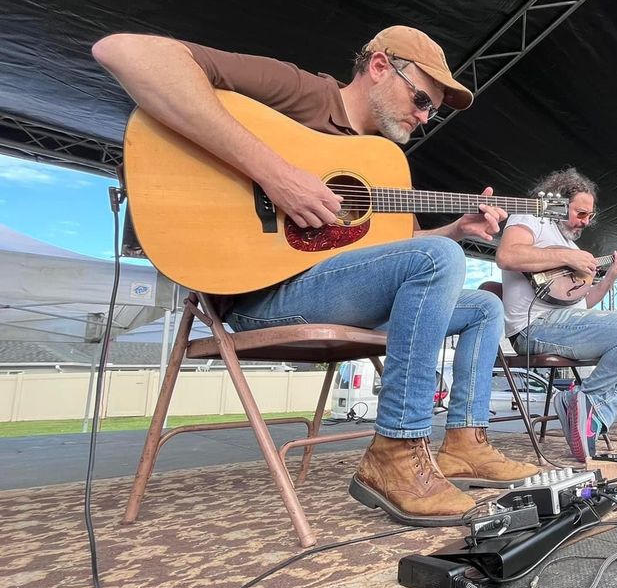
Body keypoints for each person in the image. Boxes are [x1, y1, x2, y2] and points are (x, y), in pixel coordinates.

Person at [92, 26, 540, 528]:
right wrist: (275, 174)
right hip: (258, 299)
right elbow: (124, 53)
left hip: (335, 292)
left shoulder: (381, 163)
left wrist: (456, 230)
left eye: (431, 109)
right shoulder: (304, 92)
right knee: (437, 259)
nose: (423, 115)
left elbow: (401, 260)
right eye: (421, 98)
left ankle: (464, 443)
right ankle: (396, 451)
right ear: (378, 67)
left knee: (484, 305)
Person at [495, 168, 617, 461]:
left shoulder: (573, 247)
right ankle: (581, 404)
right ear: (559, 202)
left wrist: (609, 276)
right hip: (534, 327)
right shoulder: (531, 219)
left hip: (567, 325)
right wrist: (568, 257)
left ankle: (590, 415)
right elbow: (507, 256)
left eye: (589, 216)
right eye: (580, 213)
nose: (585, 222)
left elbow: (584, 305)